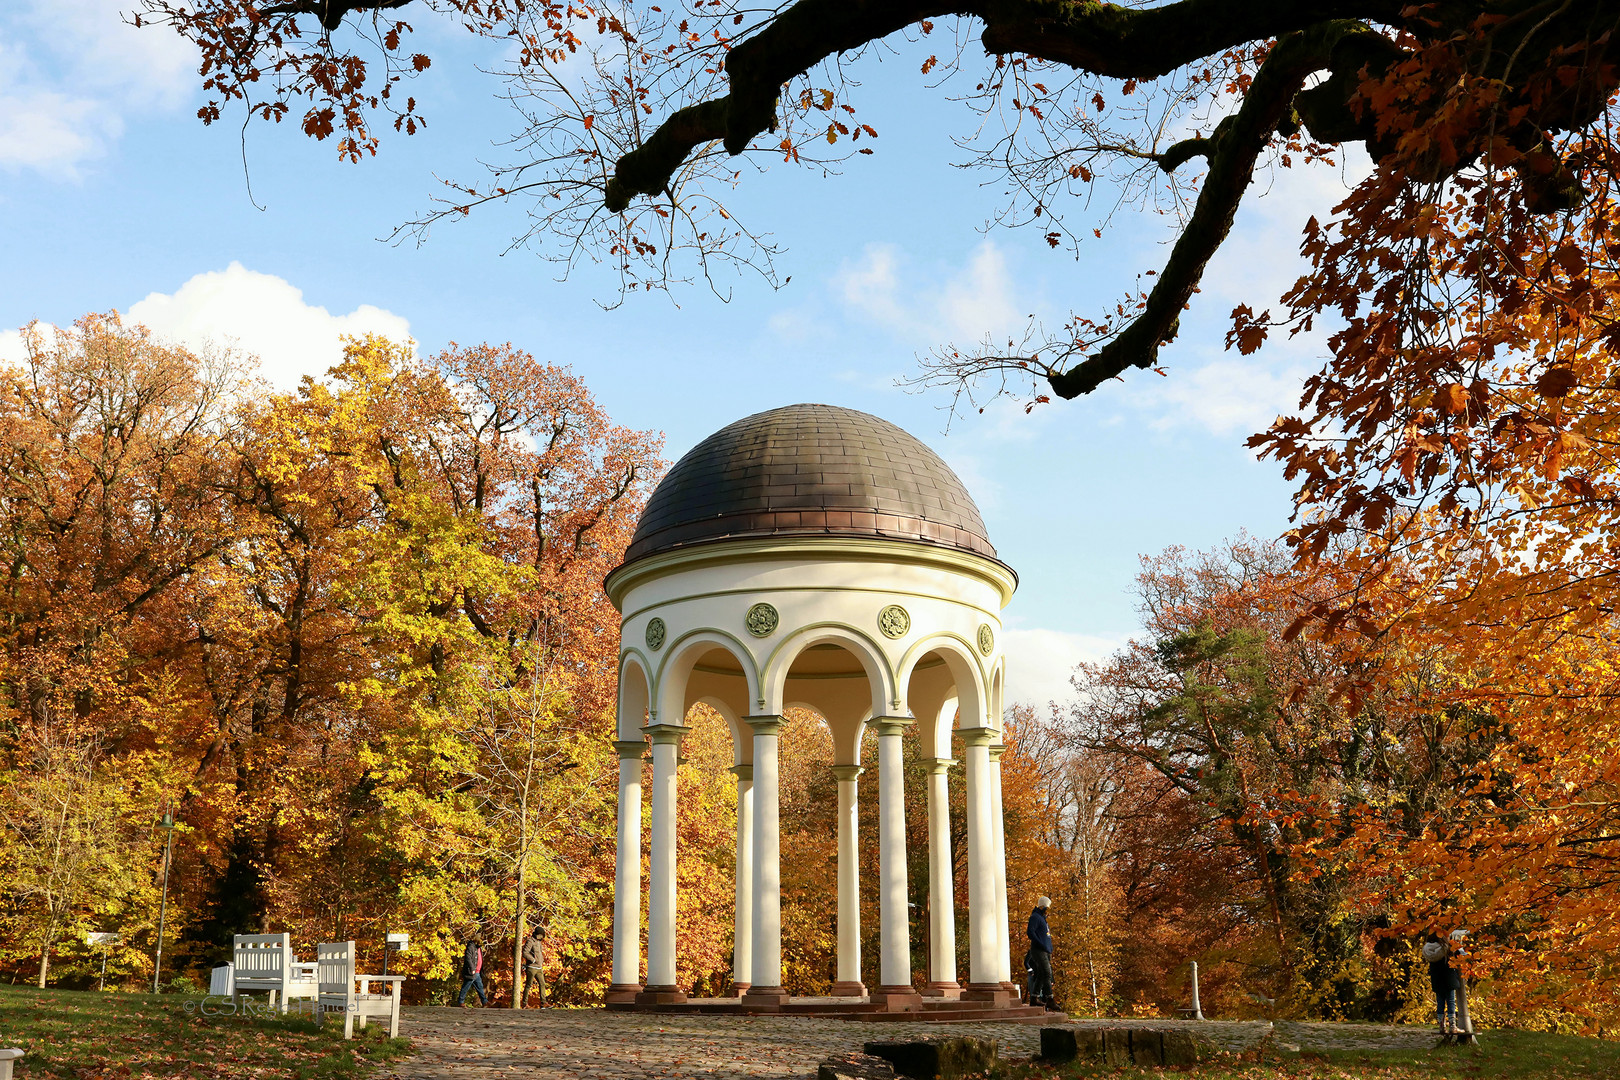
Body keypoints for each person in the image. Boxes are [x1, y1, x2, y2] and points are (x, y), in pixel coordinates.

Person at [1422, 933, 1461, 1034]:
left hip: (1437, 979)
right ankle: (1452, 1026)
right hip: (1449, 978)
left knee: (1440, 1002)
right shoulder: (1446, 948)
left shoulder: (1427, 950)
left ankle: (1441, 1025)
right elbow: (1459, 954)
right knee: (1451, 1001)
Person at [1026, 896, 1056, 1011]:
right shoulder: (1035, 917)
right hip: (1039, 950)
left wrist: (1049, 947)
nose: (1048, 910)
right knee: (1047, 973)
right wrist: (1041, 944)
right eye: (1047, 907)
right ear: (1043, 906)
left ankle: (1034, 998)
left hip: (1045, 950)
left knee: (1042, 974)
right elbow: (1030, 932)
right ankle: (1050, 1000)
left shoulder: (1042, 918)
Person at [457, 934, 489, 1007]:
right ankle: (460, 1001)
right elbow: (468, 958)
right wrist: (472, 969)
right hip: (472, 972)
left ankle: (484, 1002)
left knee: (480, 987)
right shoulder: (471, 946)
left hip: (477, 971)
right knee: (466, 986)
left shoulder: (478, 948)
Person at [521, 925, 547, 1007]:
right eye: (541, 935)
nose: (542, 937)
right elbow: (525, 953)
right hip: (531, 967)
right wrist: (533, 960)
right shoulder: (530, 941)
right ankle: (525, 1003)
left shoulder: (539, 942)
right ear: (538, 934)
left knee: (542, 984)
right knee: (529, 985)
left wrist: (541, 961)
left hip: (539, 967)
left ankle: (543, 1003)